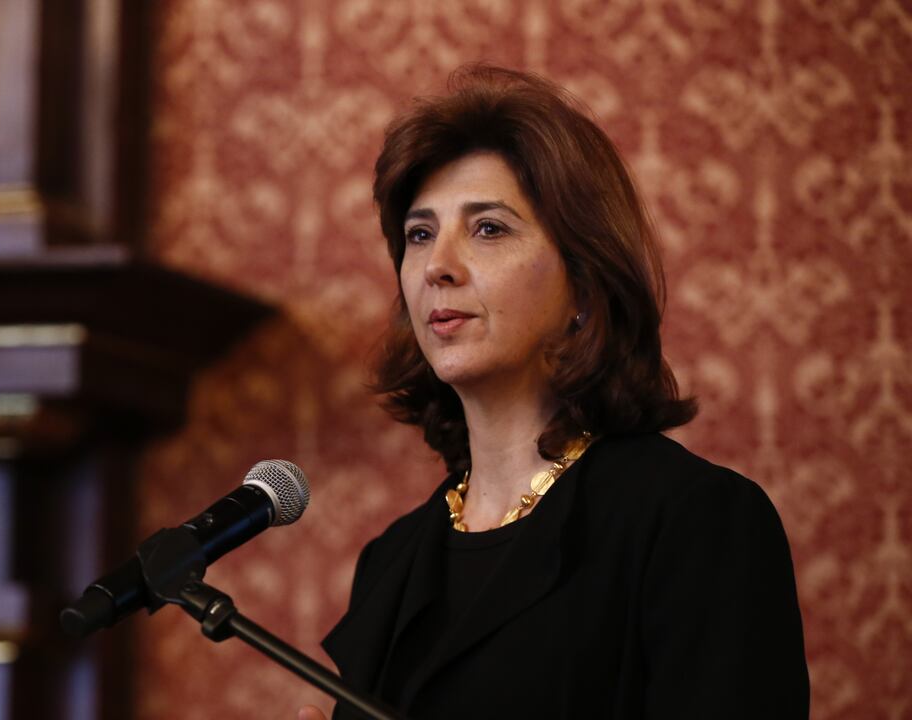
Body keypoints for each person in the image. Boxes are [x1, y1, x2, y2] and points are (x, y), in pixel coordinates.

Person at [297, 65, 809, 719]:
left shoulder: (692, 522)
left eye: (488, 229)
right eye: (419, 234)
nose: (437, 267)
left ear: (584, 286)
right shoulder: (392, 561)